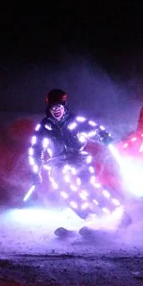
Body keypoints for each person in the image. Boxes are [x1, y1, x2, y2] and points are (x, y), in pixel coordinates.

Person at [28, 89, 126, 226]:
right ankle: (88, 215)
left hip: (78, 156)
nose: (56, 110)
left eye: (59, 106)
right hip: (57, 160)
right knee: (64, 187)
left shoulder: (75, 121)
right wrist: (35, 173)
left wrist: (103, 135)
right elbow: (35, 151)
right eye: (53, 107)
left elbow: (93, 129)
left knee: (88, 185)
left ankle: (114, 211)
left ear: (64, 106)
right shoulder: (44, 127)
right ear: (48, 108)